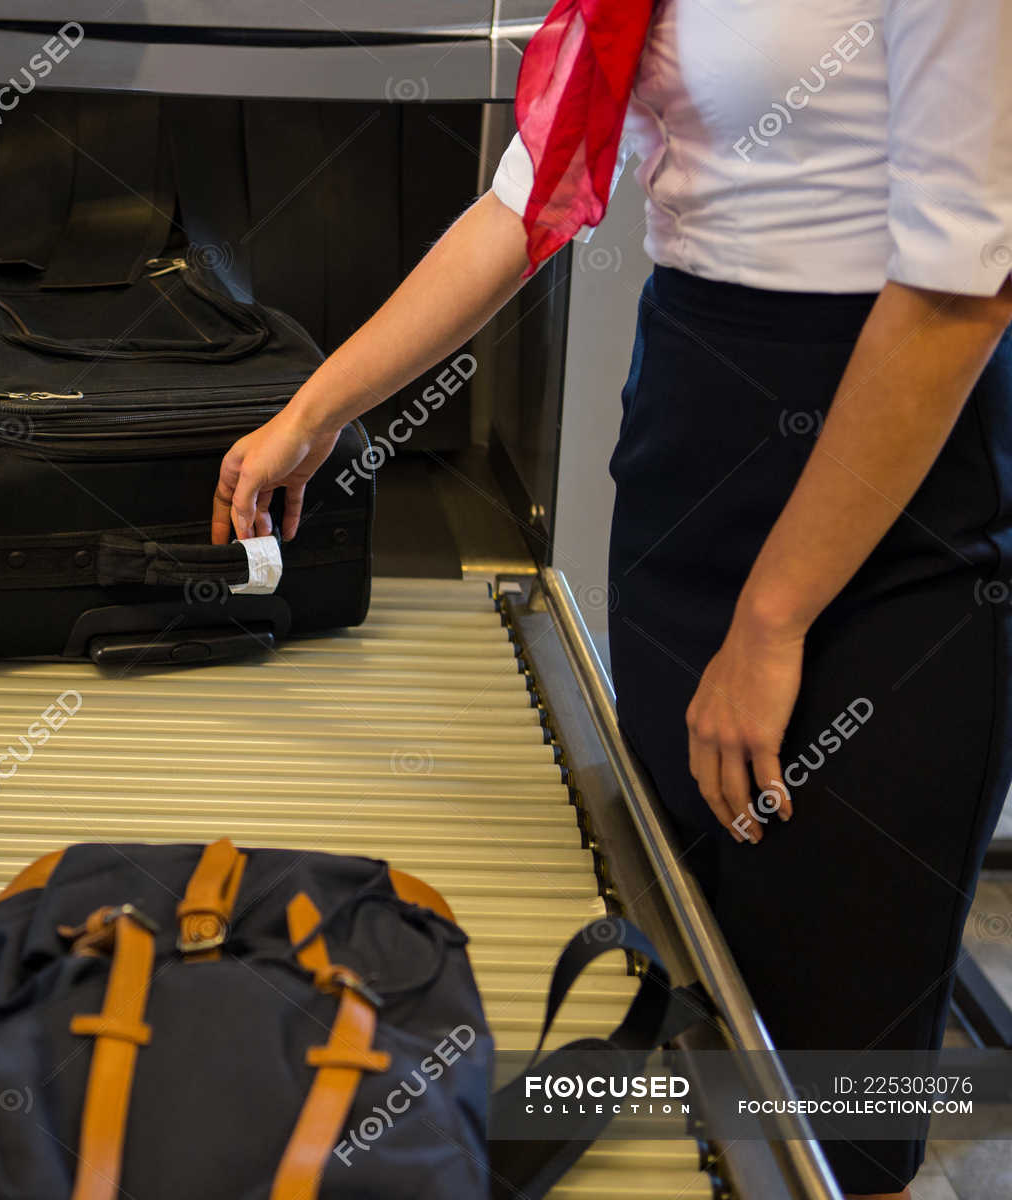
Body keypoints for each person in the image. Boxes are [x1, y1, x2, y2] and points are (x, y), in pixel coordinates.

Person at [210, 3, 1012, 1198]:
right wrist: (315, 411)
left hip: (886, 512)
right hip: (691, 457)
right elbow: (517, 207)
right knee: (694, 1005)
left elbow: (960, 293)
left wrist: (772, 622)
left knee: (835, 1101)